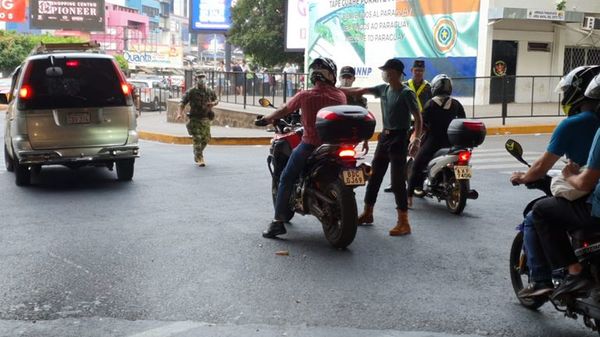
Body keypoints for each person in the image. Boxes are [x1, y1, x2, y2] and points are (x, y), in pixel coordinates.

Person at [517, 66, 600, 298]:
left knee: (540, 211)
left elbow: (545, 169)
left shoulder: (577, 124)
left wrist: (566, 176)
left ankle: (569, 273)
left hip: (591, 201)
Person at [259, 57, 347, 238]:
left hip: (310, 144)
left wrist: (267, 118)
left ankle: (277, 222)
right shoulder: (340, 96)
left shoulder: (305, 95)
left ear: (313, 77)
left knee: (286, 177)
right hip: (335, 145)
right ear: (331, 76)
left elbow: (284, 109)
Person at [341, 58, 422, 236]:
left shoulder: (406, 93)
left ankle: (404, 222)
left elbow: (418, 117)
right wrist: (334, 89)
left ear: (395, 73)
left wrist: (415, 139)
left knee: (397, 181)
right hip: (385, 136)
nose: (384, 73)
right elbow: (358, 90)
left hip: (399, 138)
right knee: (375, 175)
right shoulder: (383, 89)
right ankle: (368, 213)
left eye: (386, 70)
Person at [407, 74, 465, 207]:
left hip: (434, 141)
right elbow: (462, 121)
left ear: (435, 88)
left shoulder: (431, 103)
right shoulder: (456, 104)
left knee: (416, 165)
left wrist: (416, 137)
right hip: (452, 143)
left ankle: (408, 196)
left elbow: (422, 123)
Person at [385, 59, 432, 192]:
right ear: (411, 71)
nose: (418, 73)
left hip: (421, 125)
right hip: (405, 124)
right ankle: (395, 183)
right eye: (416, 70)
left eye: (421, 71)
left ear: (424, 72)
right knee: (397, 154)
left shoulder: (428, 87)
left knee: (419, 154)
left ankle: (417, 184)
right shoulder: (404, 85)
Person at [176, 73, 219, 167]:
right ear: (196, 80)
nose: (201, 79)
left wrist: (213, 103)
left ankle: (197, 152)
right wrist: (179, 113)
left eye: (203, 77)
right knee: (197, 138)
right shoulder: (191, 91)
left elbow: (217, 100)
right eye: (199, 78)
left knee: (206, 138)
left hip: (205, 118)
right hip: (194, 118)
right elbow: (182, 103)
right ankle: (200, 158)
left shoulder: (209, 91)